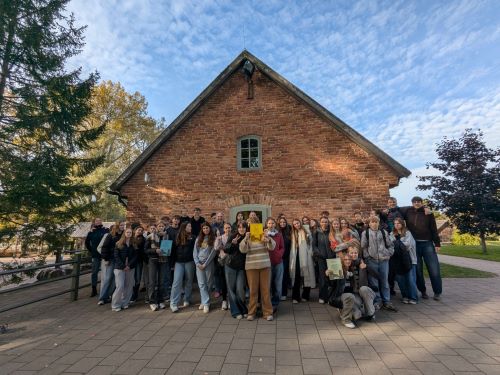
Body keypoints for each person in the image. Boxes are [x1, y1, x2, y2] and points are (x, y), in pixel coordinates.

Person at [403, 196, 442, 301]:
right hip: (414, 245)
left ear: (421, 203)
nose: (416, 203)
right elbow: (397, 209)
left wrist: (437, 243)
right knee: (418, 270)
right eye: (414, 202)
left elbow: (433, 228)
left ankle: (437, 292)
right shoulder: (408, 212)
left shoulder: (428, 213)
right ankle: (423, 291)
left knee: (434, 269)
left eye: (419, 202)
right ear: (412, 203)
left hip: (427, 244)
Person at [328, 244, 376, 328]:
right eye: (351, 253)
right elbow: (331, 283)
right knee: (357, 315)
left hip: (356, 294)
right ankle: (345, 317)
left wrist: (366, 267)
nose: (348, 260)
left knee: (363, 292)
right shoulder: (338, 267)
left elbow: (377, 275)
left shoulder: (360, 263)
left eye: (355, 253)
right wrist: (327, 274)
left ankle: (370, 313)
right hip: (342, 296)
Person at [239, 219, 276, 321]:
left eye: (254, 223)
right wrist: (246, 239)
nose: (252, 225)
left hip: (265, 265)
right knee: (253, 291)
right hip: (251, 266)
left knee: (266, 290)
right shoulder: (248, 236)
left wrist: (268, 239)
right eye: (250, 224)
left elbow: (272, 247)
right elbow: (242, 250)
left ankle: (267, 313)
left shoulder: (264, 234)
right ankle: (251, 312)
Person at [360, 216, 397, 312]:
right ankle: (377, 300)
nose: (374, 224)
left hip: (384, 260)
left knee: (384, 281)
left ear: (379, 223)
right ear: (369, 223)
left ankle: (387, 301)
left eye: (376, 222)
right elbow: (363, 246)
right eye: (372, 222)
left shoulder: (384, 232)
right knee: (374, 282)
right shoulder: (366, 233)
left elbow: (390, 245)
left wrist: (388, 254)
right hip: (371, 261)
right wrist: (367, 257)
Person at [223, 222, 248, 319]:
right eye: (240, 227)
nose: (241, 229)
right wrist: (232, 243)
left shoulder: (247, 236)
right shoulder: (233, 236)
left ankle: (243, 309)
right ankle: (235, 311)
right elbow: (226, 249)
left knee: (240, 289)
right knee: (231, 289)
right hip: (231, 266)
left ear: (246, 228)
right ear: (237, 228)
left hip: (241, 267)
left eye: (243, 227)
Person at [390, 217, 418, 304]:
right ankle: (405, 296)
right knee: (400, 279)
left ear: (402, 224)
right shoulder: (391, 234)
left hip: (409, 259)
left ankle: (413, 297)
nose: (396, 225)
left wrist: (397, 244)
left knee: (410, 279)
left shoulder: (407, 233)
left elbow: (408, 245)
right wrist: (399, 244)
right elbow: (390, 245)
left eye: (398, 223)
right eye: (395, 223)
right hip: (397, 260)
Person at [170, 222, 196, 312]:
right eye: (189, 226)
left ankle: (186, 299)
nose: (191, 227)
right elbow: (173, 250)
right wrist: (172, 263)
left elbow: (195, 250)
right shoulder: (177, 236)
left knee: (189, 281)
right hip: (178, 262)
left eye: (191, 226)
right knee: (177, 282)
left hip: (190, 262)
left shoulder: (193, 237)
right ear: (184, 227)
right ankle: (174, 303)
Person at [111, 227, 138, 311]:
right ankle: (115, 305)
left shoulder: (134, 244)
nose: (129, 234)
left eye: (130, 232)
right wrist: (123, 266)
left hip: (130, 267)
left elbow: (135, 256)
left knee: (129, 286)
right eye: (127, 232)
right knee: (120, 286)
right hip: (119, 268)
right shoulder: (118, 243)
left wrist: (129, 265)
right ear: (124, 233)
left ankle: (125, 303)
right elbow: (116, 256)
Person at [290, 219, 316, 303]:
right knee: (296, 276)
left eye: (297, 223)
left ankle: (306, 295)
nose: (296, 225)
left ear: (300, 223)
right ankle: (295, 297)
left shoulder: (306, 230)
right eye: (294, 224)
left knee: (306, 275)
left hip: (305, 256)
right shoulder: (293, 233)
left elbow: (310, 243)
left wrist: (308, 238)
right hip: (296, 256)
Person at [97, 222, 123, 305]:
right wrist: (106, 258)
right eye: (121, 225)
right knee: (107, 278)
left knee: (115, 280)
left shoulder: (123, 236)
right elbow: (105, 247)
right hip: (110, 259)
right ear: (118, 226)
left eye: (124, 225)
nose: (123, 227)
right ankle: (102, 298)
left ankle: (109, 295)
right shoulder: (110, 235)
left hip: (118, 259)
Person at [193, 222, 217, 313]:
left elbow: (213, 253)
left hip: (208, 264)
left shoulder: (213, 239)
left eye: (207, 228)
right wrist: (197, 263)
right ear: (202, 230)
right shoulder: (198, 239)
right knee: (201, 284)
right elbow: (195, 252)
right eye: (204, 228)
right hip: (199, 264)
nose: (205, 230)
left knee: (209, 283)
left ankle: (204, 300)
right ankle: (206, 303)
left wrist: (205, 264)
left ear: (209, 228)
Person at [145, 222, 168, 311]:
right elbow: (146, 250)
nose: (161, 227)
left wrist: (166, 251)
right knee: (152, 282)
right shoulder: (150, 236)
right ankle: (152, 302)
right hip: (153, 261)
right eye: (159, 226)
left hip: (163, 261)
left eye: (163, 226)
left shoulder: (166, 236)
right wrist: (155, 250)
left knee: (161, 282)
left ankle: (160, 301)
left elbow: (168, 249)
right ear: (157, 227)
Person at [84, 218, 109, 297]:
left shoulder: (105, 230)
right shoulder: (91, 232)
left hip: (104, 255)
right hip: (95, 255)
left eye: (100, 220)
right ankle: (94, 289)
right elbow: (87, 243)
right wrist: (92, 251)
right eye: (96, 221)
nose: (98, 222)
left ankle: (105, 289)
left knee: (106, 273)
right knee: (94, 272)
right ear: (94, 222)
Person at [312, 216, 335, 304]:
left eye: (326, 222)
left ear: (328, 223)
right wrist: (320, 254)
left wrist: (333, 254)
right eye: (322, 222)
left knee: (334, 278)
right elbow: (314, 246)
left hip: (332, 258)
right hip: (321, 259)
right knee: (323, 279)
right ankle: (322, 297)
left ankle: (333, 297)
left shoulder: (331, 231)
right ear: (320, 223)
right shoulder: (316, 232)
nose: (324, 223)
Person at [265, 218, 285, 310]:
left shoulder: (279, 235)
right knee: (268, 284)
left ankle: (275, 303)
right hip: (267, 263)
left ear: (275, 224)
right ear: (266, 224)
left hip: (278, 262)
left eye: (272, 223)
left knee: (277, 283)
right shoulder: (263, 235)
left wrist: (279, 255)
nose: (271, 225)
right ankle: (267, 303)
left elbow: (282, 247)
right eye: (269, 223)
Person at [214, 223, 232, 310]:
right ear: (223, 229)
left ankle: (231, 300)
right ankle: (224, 300)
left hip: (232, 262)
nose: (227, 229)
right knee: (224, 282)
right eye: (226, 228)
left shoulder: (234, 236)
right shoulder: (220, 237)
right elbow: (215, 248)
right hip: (223, 262)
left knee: (231, 282)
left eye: (229, 228)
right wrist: (218, 239)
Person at [211, 212, 225, 298]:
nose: (219, 218)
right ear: (216, 218)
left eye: (221, 216)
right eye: (218, 217)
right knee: (216, 272)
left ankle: (224, 289)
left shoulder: (226, 225)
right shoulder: (212, 227)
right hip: (215, 253)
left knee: (223, 272)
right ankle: (217, 289)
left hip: (224, 252)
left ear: (223, 217)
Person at [131, 226, 146, 303]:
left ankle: (135, 294)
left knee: (137, 278)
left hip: (138, 261)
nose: (139, 231)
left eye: (141, 230)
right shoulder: (130, 237)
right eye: (138, 230)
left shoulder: (142, 239)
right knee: (130, 278)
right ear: (135, 230)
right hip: (129, 261)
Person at [278, 216, 292, 300]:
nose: (282, 223)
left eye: (284, 222)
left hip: (286, 257)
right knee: (277, 276)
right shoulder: (276, 232)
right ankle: (277, 293)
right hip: (278, 256)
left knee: (284, 275)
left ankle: (284, 293)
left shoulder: (289, 231)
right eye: (281, 222)